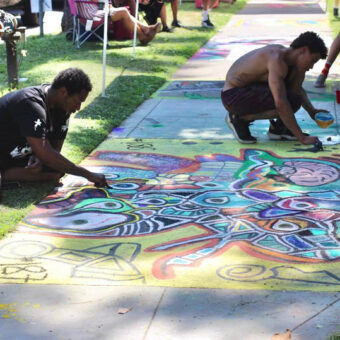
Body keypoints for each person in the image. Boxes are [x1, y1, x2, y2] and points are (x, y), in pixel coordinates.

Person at [0, 68, 109, 188]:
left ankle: (12, 173)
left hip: (15, 158)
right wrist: (88, 174)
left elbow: (54, 151)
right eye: (78, 101)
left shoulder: (62, 109)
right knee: (53, 166)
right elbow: (46, 153)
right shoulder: (30, 103)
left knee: (56, 170)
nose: (78, 108)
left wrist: (39, 158)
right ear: (63, 92)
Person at [221, 31, 328, 145]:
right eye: (313, 60)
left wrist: (312, 111)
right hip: (233, 96)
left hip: (250, 89)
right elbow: (281, 103)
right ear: (303, 50)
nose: (311, 66)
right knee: (288, 101)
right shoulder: (276, 59)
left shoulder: (293, 65)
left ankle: (279, 129)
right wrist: (302, 138)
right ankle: (238, 119)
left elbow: (297, 91)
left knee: (294, 96)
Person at [78, 1, 161, 45]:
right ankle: (142, 35)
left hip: (91, 11)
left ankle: (145, 29)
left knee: (123, 11)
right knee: (123, 11)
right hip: (92, 14)